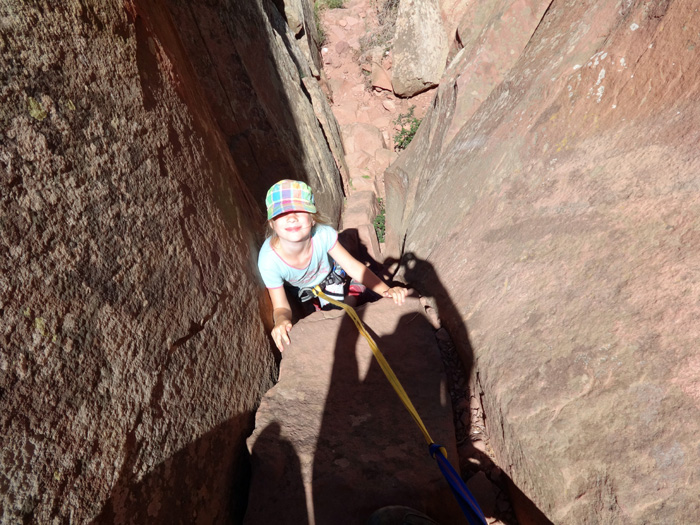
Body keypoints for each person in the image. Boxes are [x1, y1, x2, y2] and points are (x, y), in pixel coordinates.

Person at [258, 179, 407, 350]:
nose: (292, 218)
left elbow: (353, 267)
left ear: (312, 219)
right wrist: (282, 321)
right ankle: (353, 294)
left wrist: (386, 290)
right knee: (322, 323)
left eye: (299, 210)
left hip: (331, 278)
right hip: (304, 293)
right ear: (272, 223)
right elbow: (281, 306)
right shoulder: (269, 261)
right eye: (282, 213)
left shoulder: (323, 235)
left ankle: (352, 294)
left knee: (337, 317)